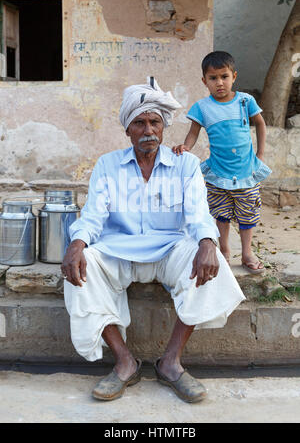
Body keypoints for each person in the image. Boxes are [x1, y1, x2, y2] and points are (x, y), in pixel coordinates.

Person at [62, 77, 245, 403]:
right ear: (127, 129)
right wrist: (77, 244)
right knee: (80, 267)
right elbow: (92, 215)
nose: (148, 130)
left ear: (163, 128)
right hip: (120, 248)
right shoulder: (108, 165)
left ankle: (170, 363)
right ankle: (125, 363)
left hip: (169, 248)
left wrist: (207, 242)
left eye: (155, 123)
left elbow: (199, 213)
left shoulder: (185, 164)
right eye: (140, 123)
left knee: (208, 262)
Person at [173, 51, 271, 273]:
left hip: (246, 171)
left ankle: (247, 253)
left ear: (234, 76)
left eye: (224, 76)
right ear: (204, 81)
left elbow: (261, 124)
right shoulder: (202, 107)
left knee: (248, 216)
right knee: (221, 215)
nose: (219, 83)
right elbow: (193, 133)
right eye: (213, 78)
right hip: (218, 172)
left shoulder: (246, 101)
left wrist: (261, 154)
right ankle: (224, 251)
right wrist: (185, 147)